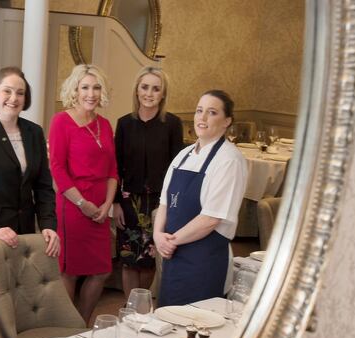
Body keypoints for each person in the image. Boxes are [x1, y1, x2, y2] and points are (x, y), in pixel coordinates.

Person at [153, 90, 248, 307]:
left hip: (204, 261)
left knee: (198, 329)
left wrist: (169, 242)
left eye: (212, 112)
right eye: (199, 111)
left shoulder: (229, 160)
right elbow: (164, 202)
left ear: (227, 121)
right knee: (168, 320)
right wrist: (158, 235)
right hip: (174, 258)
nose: (202, 118)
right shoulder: (183, 155)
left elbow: (211, 219)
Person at [0, 66, 59, 257]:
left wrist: (48, 225)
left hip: (24, 232)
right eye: (7, 91)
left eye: (20, 93)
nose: (14, 98)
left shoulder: (34, 131)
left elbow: (43, 186)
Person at [48, 64, 118, 322]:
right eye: (85, 87)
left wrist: (107, 204)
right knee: (71, 271)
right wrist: (82, 203)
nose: (91, 93)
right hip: (72, 206)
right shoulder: (61, 121)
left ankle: (82, 322)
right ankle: (67, 328)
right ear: (75, 90)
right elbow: (56, 168)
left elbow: (113, 170)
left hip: (101, 208)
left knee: (101, 270)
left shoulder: (106, 124)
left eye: (96, 87)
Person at [113, 67, 184, 299]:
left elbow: (177, 170)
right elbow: (116, 167)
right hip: (128, 201)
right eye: (145, 87)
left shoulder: (172, 124)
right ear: (137, 90)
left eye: (156, 89)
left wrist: (168, 206)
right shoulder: (124, 123)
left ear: (163, 94)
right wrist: (115, 204)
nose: (149, 93)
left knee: (149, 259)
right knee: (128, 259)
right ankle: (130, 308)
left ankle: (141, 306)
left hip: (158, 202)